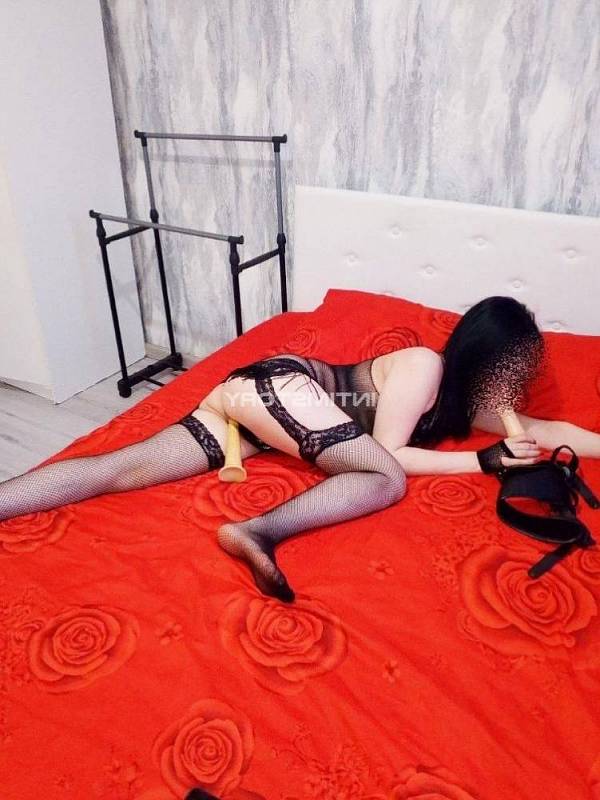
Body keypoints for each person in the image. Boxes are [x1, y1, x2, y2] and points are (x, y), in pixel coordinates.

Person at [1, 297, 598, 603]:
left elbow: (548, 430)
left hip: (257, 418)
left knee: (122, 468)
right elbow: (389, 452)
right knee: (384, 478)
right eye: (511, 369)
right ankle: (256, 531)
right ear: (485, 355)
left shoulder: (462, 404)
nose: (517, 384)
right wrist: (484, 461)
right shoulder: (424, 365)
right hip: (277, 385)